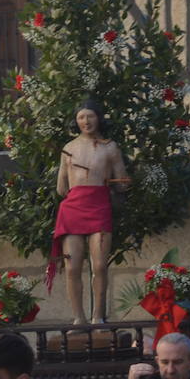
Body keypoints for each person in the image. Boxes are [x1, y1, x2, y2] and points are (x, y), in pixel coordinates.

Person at [48, 99, 128, 323]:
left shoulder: (110, 147)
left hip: (99, 205)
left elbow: (122, 180)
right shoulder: (69, 148)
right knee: (72, 267)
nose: (86, 121)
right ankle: (78, 318)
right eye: (81, 117)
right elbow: (61, 187)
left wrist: (120, 183)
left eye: (90, 116)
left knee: (100, 264)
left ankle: (97, 316)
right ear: (76, 121)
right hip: (73, 208)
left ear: (99, 118)